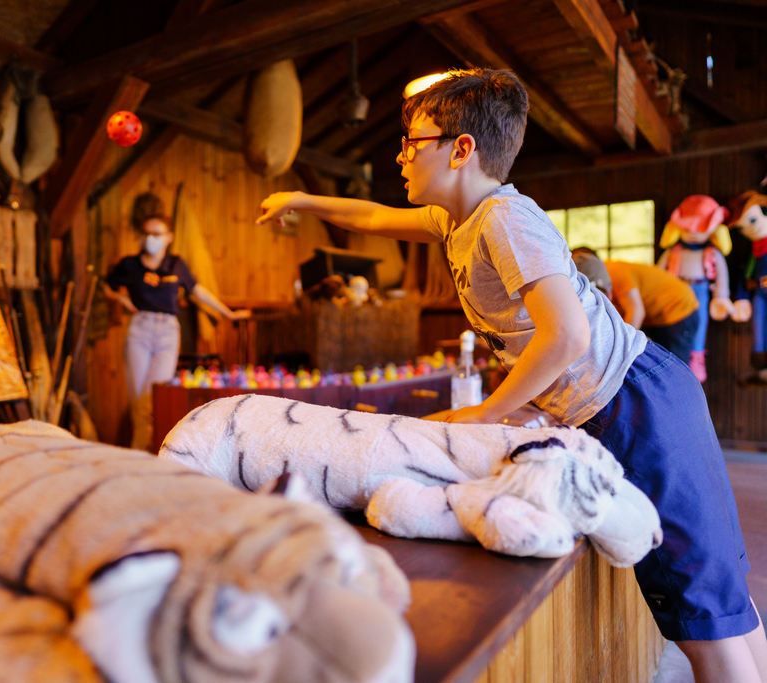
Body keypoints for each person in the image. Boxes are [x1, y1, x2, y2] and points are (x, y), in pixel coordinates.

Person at [257, 68, 767, 682]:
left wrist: (487, 412)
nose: (400, 155)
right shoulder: (456, 220)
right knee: (717, 604)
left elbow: (570, 335)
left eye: (412, 142)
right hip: (621, 402)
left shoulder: (505, 217)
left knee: (704, 619)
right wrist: (302, 200)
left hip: (638, 402)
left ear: (461, 149)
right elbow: (370, 217)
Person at [105, 206, 250, 452]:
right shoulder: (129, 265)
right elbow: (107, 285)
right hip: (139, 330)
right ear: (141, 237)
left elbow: (198, 291)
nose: (152, 238)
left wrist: (227, 313)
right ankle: (141, 457)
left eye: (158, 233)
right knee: (138, 405)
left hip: (167, 333)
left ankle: (148, 456)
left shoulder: (176, 264)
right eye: (147, 233)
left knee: (153, 400)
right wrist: (121, 300)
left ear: (169, 236)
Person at [572, 248, 700, 365]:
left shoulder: (614, 272)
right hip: (655, 315)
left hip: (678, 306)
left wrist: (619, 350)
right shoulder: (595, 278)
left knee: (674, 364)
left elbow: (636, 312)